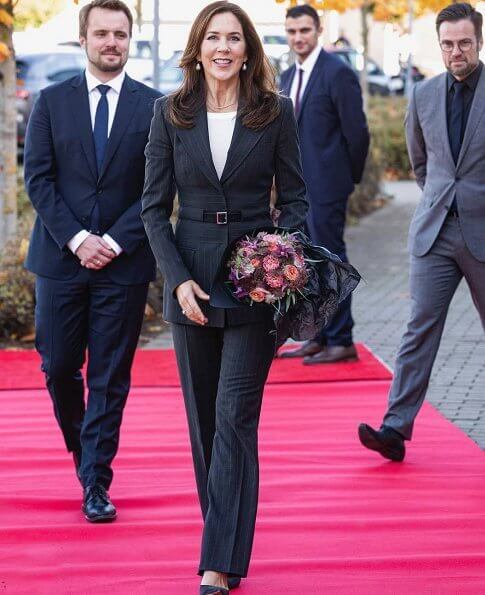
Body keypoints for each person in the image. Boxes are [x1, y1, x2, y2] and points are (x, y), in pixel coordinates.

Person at [141, 2, 308, 592]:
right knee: (205, 424)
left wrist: (279, 259)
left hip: (252, 283)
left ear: (248, 50)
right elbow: (153, 209)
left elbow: (295, 198)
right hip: (190, 280)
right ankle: (228, 544)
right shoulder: (169, 113)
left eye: (234, 38)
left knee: (235, 419)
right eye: (213, 38)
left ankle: (216, 563)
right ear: (198, 48)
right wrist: (176, 278)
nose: (223, 48)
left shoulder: (275, 112)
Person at [24, 0, 161, 522]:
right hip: (61, 260)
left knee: (109, 375)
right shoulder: (51, 101)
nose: (111, 43)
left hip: (123, 266)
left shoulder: (155, 107)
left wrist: (116, 241)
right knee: (59, 367)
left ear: (129, 40)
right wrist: (79, 239)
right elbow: (38, 179)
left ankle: (96, 481)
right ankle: (84, 453)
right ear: (83, 39)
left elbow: (157, 189)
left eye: (120, 34)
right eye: (102, 33)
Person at [359, 2, 485, 462]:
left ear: (479, 42)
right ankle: (395, 427)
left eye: (465, 43)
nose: (456, 51)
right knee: (418, 329)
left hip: (483, 233)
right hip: (435, 233)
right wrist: (440, 198)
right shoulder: (424, 94)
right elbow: (421, 164)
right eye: (448, 44)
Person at [279, 4, 369, 364]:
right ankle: (316, 336)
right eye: (292, 31)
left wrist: (347, 179)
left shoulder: (337, 73)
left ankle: (342, 339)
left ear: (318, 30)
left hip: (328, 186)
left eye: (305, 30)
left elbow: (357, 133)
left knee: (331, 261)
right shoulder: (287, 76)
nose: (298, 37)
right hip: (296, 191)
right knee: (306, 264)